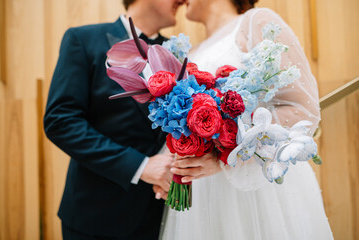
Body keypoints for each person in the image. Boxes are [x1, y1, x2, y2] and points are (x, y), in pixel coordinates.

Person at [159, 0, 334, 239]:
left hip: (260, 189)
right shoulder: (190, 53)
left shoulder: (257, 21)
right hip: (205, 195)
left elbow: (302, 108)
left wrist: (224, 159)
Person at [44, 0, 185, 239]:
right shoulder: (83, 40)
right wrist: (140, 166)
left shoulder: (176, 55)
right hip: (96, 217)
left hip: (159, 217)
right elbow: (61, 121)